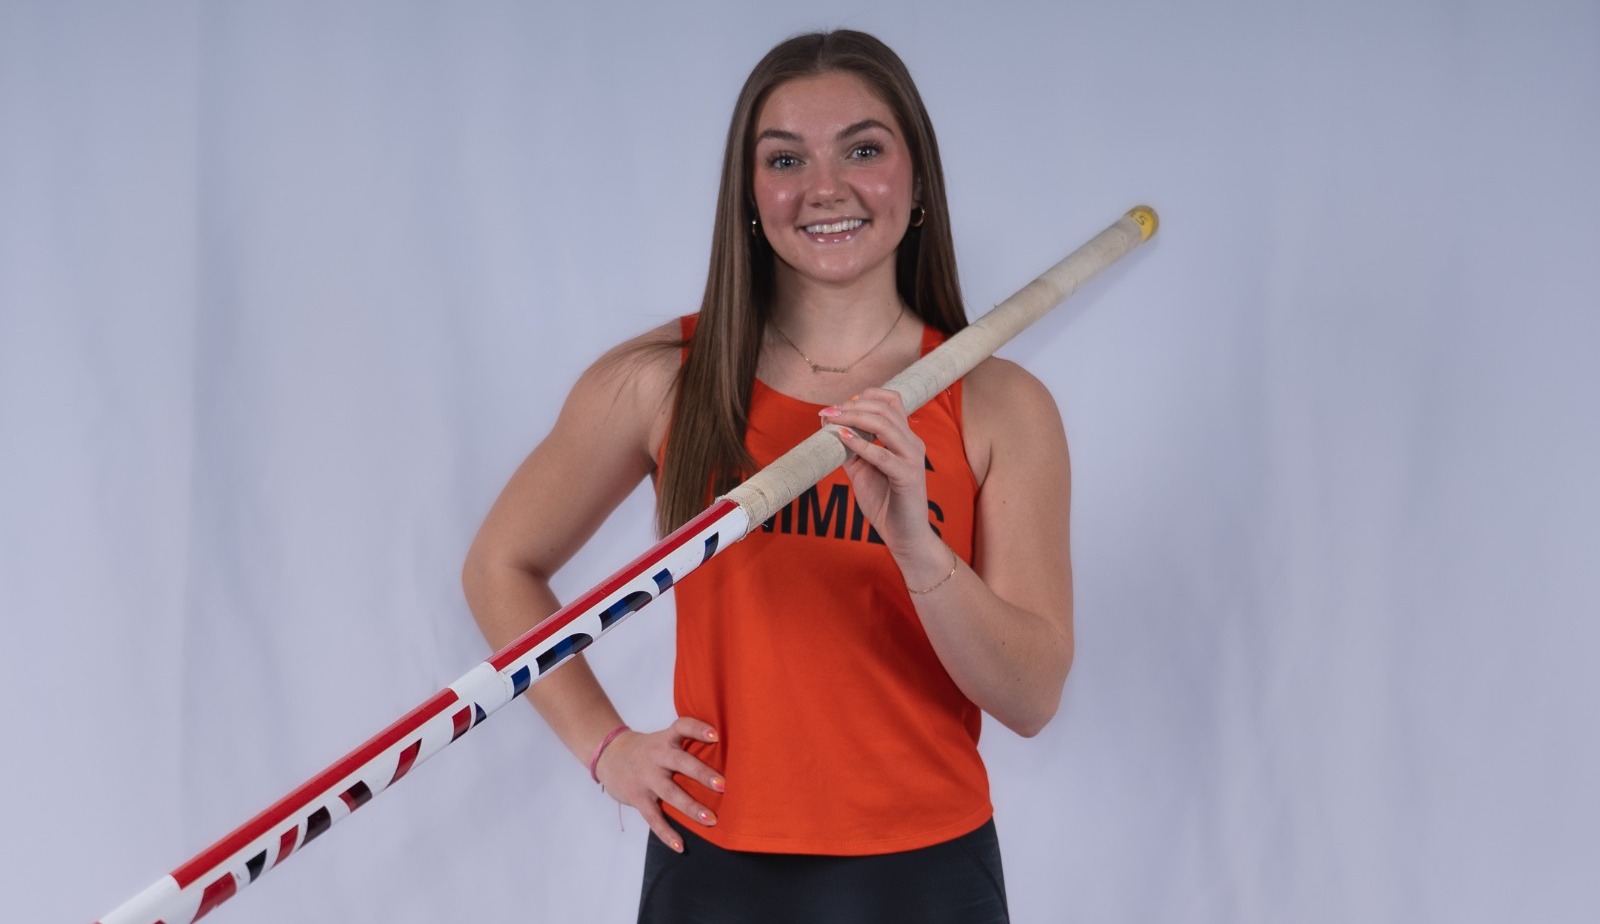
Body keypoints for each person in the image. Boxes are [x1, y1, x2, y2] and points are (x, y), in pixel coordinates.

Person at [463, 29, 1073, 924]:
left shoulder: (1000, 405)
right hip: (714, 866)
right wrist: (608, 748)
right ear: (750, 194)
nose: (825, 188)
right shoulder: (663, 379)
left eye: (863, 149)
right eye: (786, 158)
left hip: (926, 872)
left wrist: (917, 544)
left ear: (917, 180)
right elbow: (500, 567)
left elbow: (1031, 696)